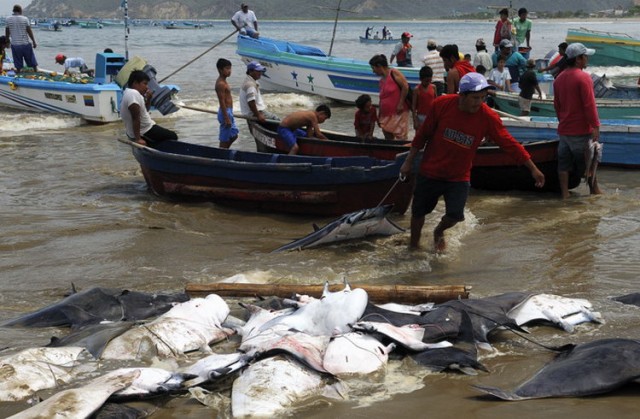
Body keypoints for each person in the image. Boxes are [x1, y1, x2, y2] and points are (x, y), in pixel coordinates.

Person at [399, 73, 545, 252]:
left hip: (458, 176)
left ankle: (439, 231)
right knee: (419, 212)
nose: (479, 102)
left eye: (483, 98)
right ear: (462, 95)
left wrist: (533, 169)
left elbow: (509, 143)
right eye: (475, 98)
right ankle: (413, 246)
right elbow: (422, 135)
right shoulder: (441, 105)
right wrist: (408, 162)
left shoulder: (488, 117)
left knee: (455, 216)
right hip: (431, 170)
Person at [553, 43, 602, 199]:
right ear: (578, 59)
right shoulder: (584, 78)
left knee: (564, 165)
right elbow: (589, 105)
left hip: (564, 131)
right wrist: (595, 126)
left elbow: (557, 105)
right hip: (581, 131)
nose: (587, 59)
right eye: (585, 56)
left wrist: (563, 121)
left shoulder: (558, 79)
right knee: (589, 163)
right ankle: (594, 192)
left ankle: (565, 194)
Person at [121, 70, 178, 146]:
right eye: (144, 84)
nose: (147, 87)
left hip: (143, 130)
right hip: (146, 130)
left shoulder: (130, 93)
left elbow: (144, 111)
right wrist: (138, 139)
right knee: (173, 136)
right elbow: (136, 118)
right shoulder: (133, 94)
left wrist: (149, 99)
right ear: (135, 83)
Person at [369, 54, 410, 140]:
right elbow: (382, 99)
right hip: (385, 114)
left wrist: (401, 103)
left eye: (373, 68)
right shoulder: (381, 81)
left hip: (398, 113)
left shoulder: (393, 73)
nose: (373, 71)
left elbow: (405, 86)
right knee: (387, 136)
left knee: (401, 136)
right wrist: (379, 114)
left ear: (379, 66)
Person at [5, 4, 38, 73]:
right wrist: (34, 41)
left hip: (15, 44)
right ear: (20, 11)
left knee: (17, 60)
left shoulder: (8, 19)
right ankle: (35, 70)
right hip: (25, 43)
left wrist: (7, 42)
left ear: (13, 11)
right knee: (30, 59)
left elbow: (7, 32)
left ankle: (18, 71)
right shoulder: (25, 19)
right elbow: (29, 31)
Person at [215, 58, 239, 149]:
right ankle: (221, 152)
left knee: (234, 135)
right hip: (225, 112)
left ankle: (225, 150)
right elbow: (221, 102)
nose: (229, 71)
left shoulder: (224, 81)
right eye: (227, 68)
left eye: (230, 68)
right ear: (220, 70)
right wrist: (226, 117)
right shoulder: (220, 84)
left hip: (229, 111)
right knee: (224, 138)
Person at [411, 66, 436, 130]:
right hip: (420, 117)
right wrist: (415, 120)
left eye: (429, 81)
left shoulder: (433, 87)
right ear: (420, 79)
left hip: (431, 116)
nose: (428, 83)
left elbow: (436, 102)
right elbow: (413, 107)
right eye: (426, 81)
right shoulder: (417, 89)